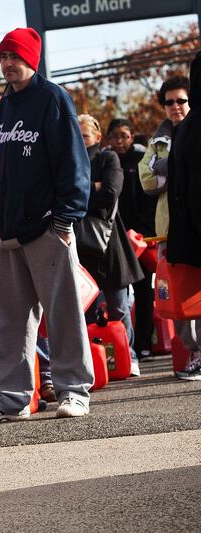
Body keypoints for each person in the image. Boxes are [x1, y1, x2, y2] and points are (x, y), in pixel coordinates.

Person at [0, 27, 94, 424]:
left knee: (63, 313)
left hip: (47, 228)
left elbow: (74, 163)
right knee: (6, 320)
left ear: (31, 60)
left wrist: (64, 218)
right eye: (4, 57)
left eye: (15, 57)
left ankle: (74, 391)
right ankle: (11, 398)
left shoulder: (53, 99)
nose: (8, 64)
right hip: (6, 230)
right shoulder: (6, 104)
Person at [139, 75, 201, 378]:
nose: (176, 106)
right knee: (175, 297)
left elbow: (161, 173)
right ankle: (193, 351)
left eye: (181, 100)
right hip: (168, 230)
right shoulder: (158, 140)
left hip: (196, 224)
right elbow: (146, 179)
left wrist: (168, 168)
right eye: (169, 102)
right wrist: (176, 170)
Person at [76, 114, 144, 376]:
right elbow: (64, 197)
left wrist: (86, 192)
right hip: (80, 247)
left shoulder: (107, 157)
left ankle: (130, 355)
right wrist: (92, 187)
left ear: (97, 136)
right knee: (86, 311)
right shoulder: (68, 161)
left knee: (119, 306)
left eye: (85, 135)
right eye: (77, 135)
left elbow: (110, 194)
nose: (80, 140)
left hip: (108, 243)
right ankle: (97, 361)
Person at [107, 117, 155, 362]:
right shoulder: (105, 162)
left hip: (141, 236)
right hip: (114, 238)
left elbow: (149, 197)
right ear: (108, 139)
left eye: (124, 136)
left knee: (144, 290)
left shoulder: (140, 160)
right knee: (118, 296)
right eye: (115, 136)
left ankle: (145, 342)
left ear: (131, 136)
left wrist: (146, 231)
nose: (120, 141)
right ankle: (125, 348)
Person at [166, 52, 201, 380]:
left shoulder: (187, 128)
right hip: (190, 229)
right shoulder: (187, 128)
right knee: (188, 305)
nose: (175, 105)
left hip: (188, 230)